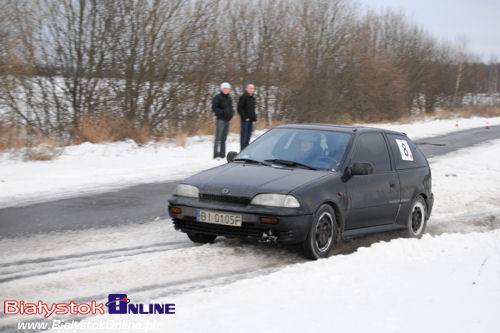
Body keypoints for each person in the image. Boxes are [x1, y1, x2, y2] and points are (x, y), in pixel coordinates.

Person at [212, 82, 234, 159]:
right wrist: (223, 113)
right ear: (221, 89)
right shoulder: (217, 97)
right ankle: (215, 154)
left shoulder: (229, 98)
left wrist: (231, 114)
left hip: (227, 120)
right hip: (220, 120)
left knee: (224, 138)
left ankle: (222, 154)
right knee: (218, 138)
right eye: (224, 88)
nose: (226, 90)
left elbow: (231, 108)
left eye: (227, 88)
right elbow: (214, 108)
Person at [237, 84, 257, 150]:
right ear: (246, 89)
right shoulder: (243, 97)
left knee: (248, 137)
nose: (251, 90)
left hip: (251, 121)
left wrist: (254, 117)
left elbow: (252, 109)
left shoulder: (252, 98)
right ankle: (242, 151)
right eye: (250, 88)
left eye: (252, 88)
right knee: (244, 138)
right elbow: (239, 108)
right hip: (245, 121)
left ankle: (246, 151)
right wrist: (245, 117)